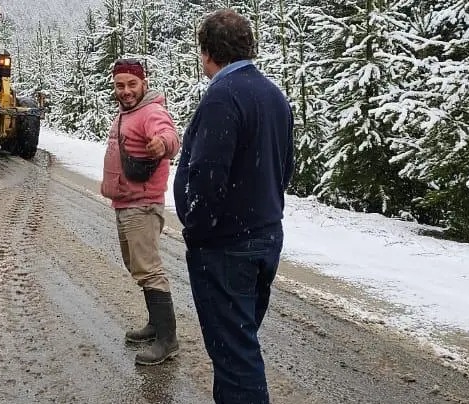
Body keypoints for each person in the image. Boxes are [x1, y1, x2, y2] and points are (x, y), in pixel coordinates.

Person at [173, 9, 294, 404]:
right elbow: (284, 167)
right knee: (238, 345)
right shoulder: (273, 95)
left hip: (227, 247)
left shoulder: (223, 96)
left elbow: (207, 176)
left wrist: (198, 231)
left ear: (207, 52)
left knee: (236, 358)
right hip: (264, 237)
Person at [100, 58, 181, 366]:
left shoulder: (152, 111)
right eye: (120, 85)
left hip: (142, 205)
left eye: (132, 84)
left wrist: (162, 144)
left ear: (143, 83)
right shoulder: (127, 112)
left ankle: (168, 341)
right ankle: (155, 326)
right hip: (125, 202)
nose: (126, 91)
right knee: (138, 267)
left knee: (149, 269)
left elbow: (170, 136)